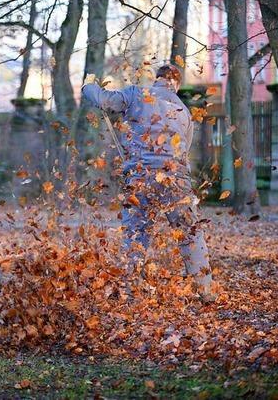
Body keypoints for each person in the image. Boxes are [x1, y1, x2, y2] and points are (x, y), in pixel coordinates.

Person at [81, 65, 215, 302]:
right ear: (176, 84)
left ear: (157, 79)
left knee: (136, 235)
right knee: (190, 234)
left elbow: (105, 101)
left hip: (141, 178)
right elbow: (184, 153)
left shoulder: (136, 94)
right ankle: (204, 290)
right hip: (176, 181)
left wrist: (88, 85)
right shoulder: (183, 111)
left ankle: (131, 292)